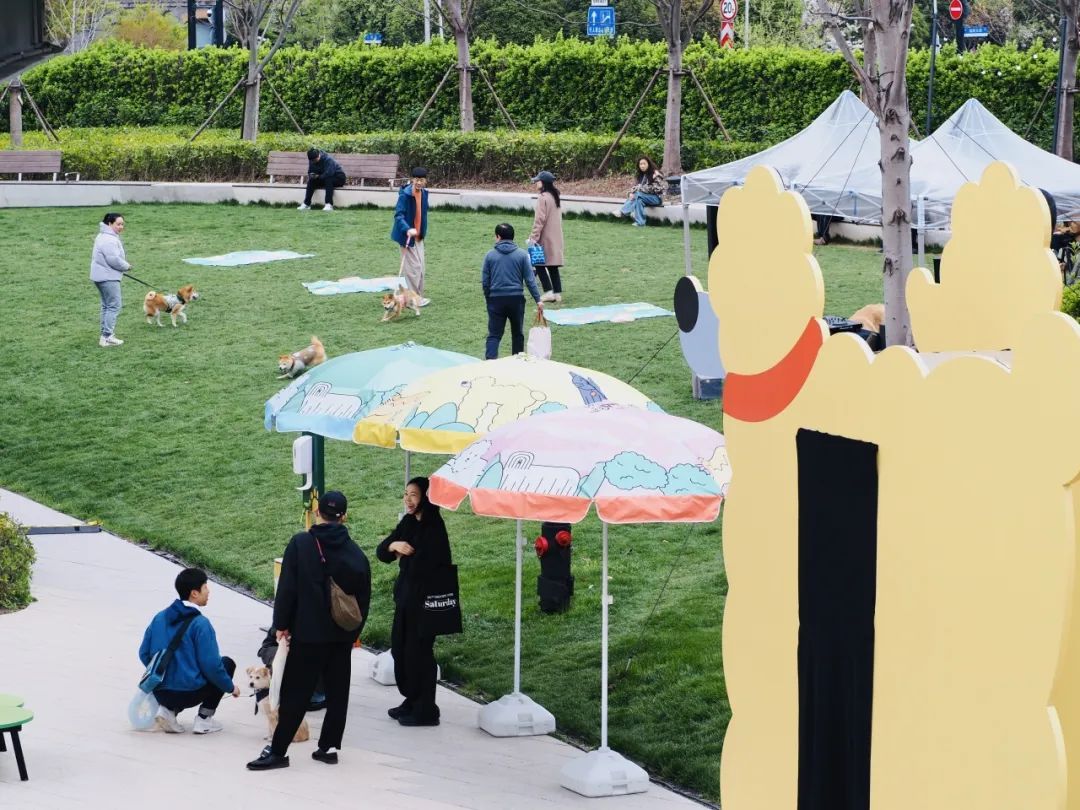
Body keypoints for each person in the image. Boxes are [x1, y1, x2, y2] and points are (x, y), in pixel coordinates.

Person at [247, 491, 370, 771]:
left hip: (308, 635)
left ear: (317, 513)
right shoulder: (356, 555)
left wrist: (281, 626)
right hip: (340, 637)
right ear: (344, 516)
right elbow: (363, 601)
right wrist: (351, 635)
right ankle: (328, 748)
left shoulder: (301, 544)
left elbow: (287, 589)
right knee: (338, 694)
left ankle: (278, 752)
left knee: (296, 694)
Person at [376, 477, 452, 727]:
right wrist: (395, 545)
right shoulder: (409, 522)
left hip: (425, 604)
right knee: (400, 649)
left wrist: (405, 554)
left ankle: (426, 709)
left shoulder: (434, 528)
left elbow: (424, 566)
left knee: (420, 654)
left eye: (414, 495)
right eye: (406, 494)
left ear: (426, 498)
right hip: (406, 600)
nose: (408, 500)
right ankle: (412, 699)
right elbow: (382, 552)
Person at [138, 568, 239, 734]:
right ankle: (204, 719)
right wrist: (231, 687)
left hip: (160, 691)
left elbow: (143, 653)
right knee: (226, 663)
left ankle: (168, 711)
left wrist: (164, 672)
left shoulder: (159, 617)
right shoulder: (201, 624)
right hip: (189, 693)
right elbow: (212, 666)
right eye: (205, 587)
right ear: (194, 593)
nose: (208, 591)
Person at [482, 222, 543, 359]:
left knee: (494, 335)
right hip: (516, 300)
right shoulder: (522, 255)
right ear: (512, 237)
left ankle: (490, 362)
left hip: (496, 300)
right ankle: (517, 363)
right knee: (517, 334)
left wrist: (489, 297)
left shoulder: (489, 256)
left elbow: (485, 281)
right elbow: (530, 280)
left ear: (498, 237)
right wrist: (538, 300)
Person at [90, 212, 131, 348]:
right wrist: (126, 266)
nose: (121, 227)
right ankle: (107, 336)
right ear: (110, 224)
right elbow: (113, 260)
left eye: (122, 224)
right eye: (118, 224)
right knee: (114, 306)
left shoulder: (103, 235)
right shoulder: (109, 239)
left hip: (101, 275)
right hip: (108, 277)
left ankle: (105, 336)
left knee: (107, 306)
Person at [391, 167, 431, 305]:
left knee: (421, 268)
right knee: (414, 269)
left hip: (418, 236)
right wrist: (407, 229)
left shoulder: (424, 193)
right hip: (406, 236)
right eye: (416, 179)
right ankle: (414, 299)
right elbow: (398, 215)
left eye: (421, 180)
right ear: (412, 179)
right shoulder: (405, 195)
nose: (419, 182)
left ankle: (418, 296)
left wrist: (421, 232)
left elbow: (422, 214)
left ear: (425, 181)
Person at [527, 170, 565, 304]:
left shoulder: (542, 197)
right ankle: (557, 293)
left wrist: (533, 237)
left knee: (538, 263)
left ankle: (548, 292)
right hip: (556, 236)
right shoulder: (555, 196)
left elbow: (539, 220)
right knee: (553, 265)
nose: (536, 183)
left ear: (543, 182)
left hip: (544, 237)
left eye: (538, 181)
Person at [618, 156, 666, 227]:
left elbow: (657, 189)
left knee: (637, 194)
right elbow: (635, 187)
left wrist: (640, 189)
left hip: (656, 198)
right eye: (640, 164)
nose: (642, 166)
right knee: (638, 200)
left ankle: (623, 212)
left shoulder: (656, 173)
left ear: (648, 164)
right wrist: (631, 193)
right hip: (643, 197)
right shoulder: (641, 175)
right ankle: (640, 223)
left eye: (644, 164)